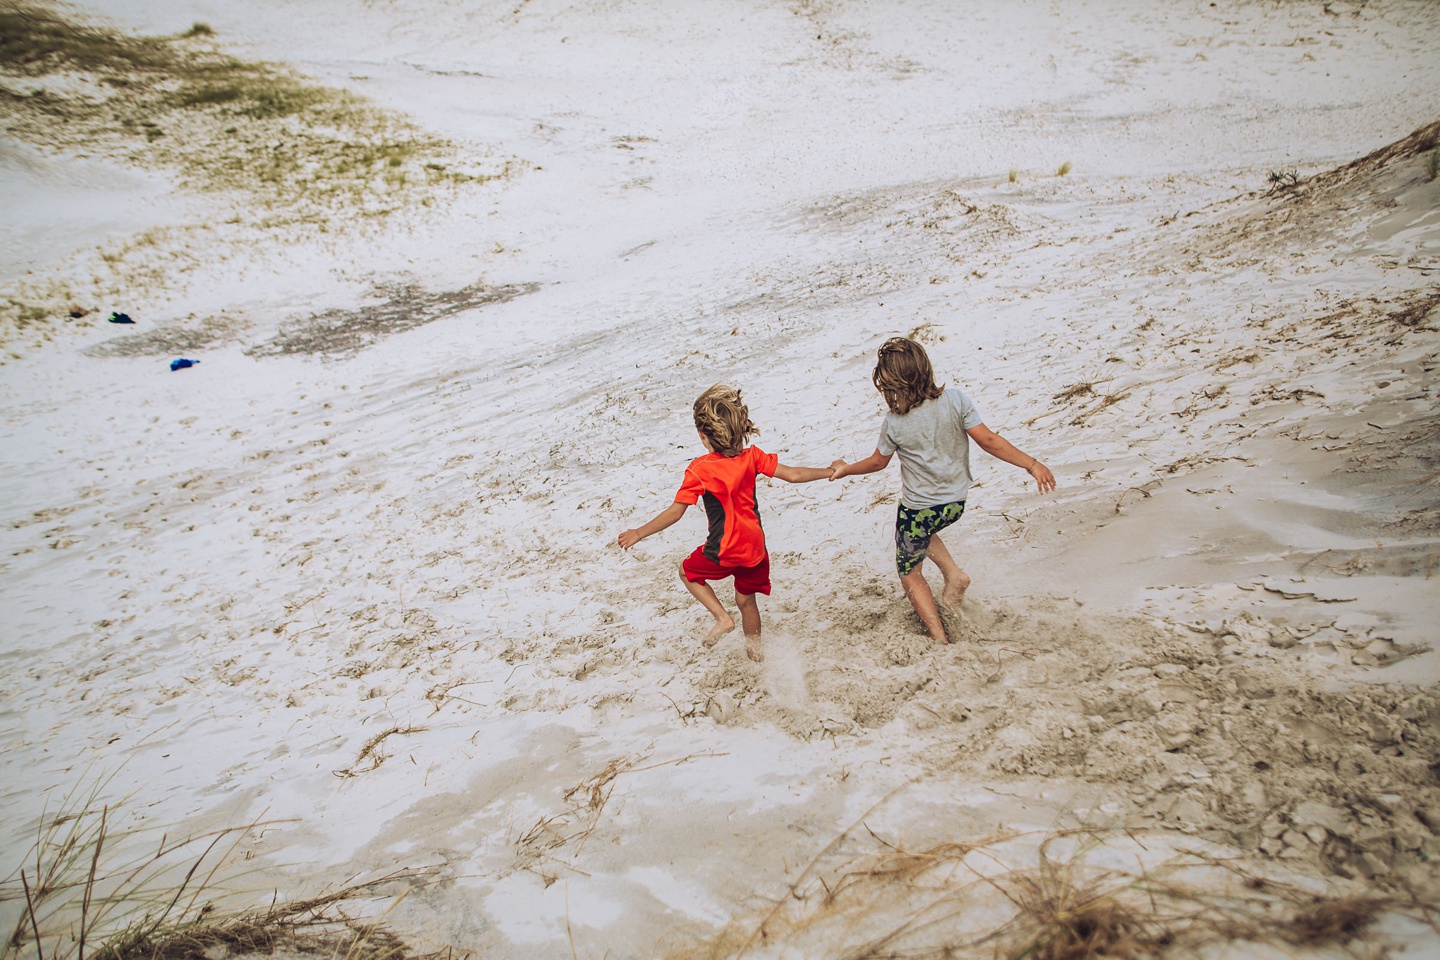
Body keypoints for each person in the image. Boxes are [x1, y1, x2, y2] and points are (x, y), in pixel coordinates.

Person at [829, 337, 1056, 643]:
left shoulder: (894, 423)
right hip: (955, 503)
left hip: (919, 508)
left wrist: (845, 468)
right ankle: (953, 574)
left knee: (910, 572)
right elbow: (989, 441)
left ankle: (938, 635)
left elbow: (876, 463)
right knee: (918, 529)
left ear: (892, 386)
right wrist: (1032, 465)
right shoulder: (957, 400)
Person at [618, 384, 833, 662]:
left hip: (725, 550)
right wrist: (829, 471)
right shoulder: (752, 457)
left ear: (703, 436)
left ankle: (722, 618)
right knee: (746, 601)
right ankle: (756, 655)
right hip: (755, 549)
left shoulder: (700, 469)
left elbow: (675, 512)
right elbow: (793, 474)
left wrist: (639, 532)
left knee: (687, 571)